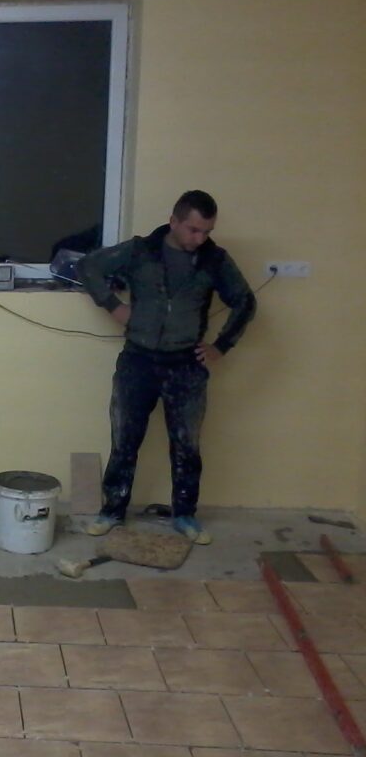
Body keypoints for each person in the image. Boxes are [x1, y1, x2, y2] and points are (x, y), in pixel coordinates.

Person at [76, 191, 256, 545]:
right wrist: (114, 306)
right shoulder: (140, 251)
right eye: (193, 230)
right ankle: (112, 511)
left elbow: (245, 302)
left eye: (206, 231)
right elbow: (88, 267)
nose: (199, 238)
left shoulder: (214, 260)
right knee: (124, 439)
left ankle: (185, 514)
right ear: (173, 221)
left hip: (186, 365)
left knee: (187, 445)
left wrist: (221, 346)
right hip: (138, 360)